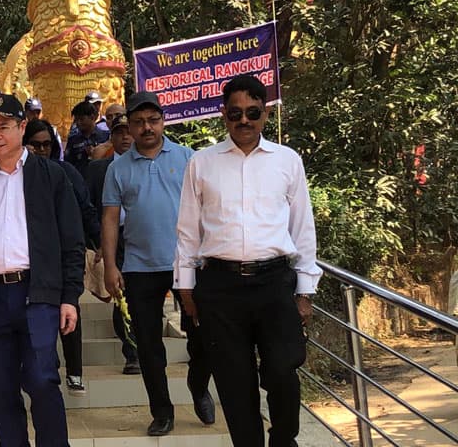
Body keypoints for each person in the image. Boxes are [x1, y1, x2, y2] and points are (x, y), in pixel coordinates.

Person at [176, 74, 321, 447]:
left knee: (283, 371)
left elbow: (302, 228)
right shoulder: (202, 163)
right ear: (224, 115)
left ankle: (283, 439)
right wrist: (186, 287)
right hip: (220, 288)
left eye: (252, 113)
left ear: (264, 115)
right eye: (235, 113)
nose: (244, 121)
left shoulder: (287, 161)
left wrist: (305, 290)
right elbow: (188, 231)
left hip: (274, 284)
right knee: (234, 381)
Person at [0, 92, 84, 447]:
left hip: (37, 294)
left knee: (42, 379)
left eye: (3, 126)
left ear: (22, 127)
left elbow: (72, 242)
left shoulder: (51, 176)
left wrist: (69, 297)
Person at [99, 92, 213, 436]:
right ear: (128, 127)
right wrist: (109, 266)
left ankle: (198, 385)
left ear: (163, 121)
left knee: (204, 338)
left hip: (188, 265)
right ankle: (162, 411)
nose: (146, 127)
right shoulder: (117, 168)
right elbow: (109, 218)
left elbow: (208, 210)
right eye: (138, 122)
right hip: (139, 267)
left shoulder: (188, 158)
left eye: (153, 120)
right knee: (148, 346)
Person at [22, 119, 100, 396]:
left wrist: (100, 242)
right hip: (33, 258)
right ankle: (45, 370)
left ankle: (75, 372)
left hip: (65, 253)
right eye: (36, 144)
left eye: (47, 144)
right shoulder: (16, 177)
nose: (42, 149)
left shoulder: (65, 172)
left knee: (70, 309)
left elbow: (86, 209)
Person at [84, 114, 139, 375]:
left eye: (130, 131)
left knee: (143, 298)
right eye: (119, 133)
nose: (126, 137)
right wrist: (97, 243)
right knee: (122, 295)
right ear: (112, 137)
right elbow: (88, 208)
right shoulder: (98, 170)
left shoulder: (150, 165)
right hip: (114, 240)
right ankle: (132, 352)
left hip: (145, 241)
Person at [65, 100, 110, 176]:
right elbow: (68, 164)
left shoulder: (105, 137)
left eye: (82, 119)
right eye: (76, 120)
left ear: (92, 117)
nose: (78, 123)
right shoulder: (73, 140)